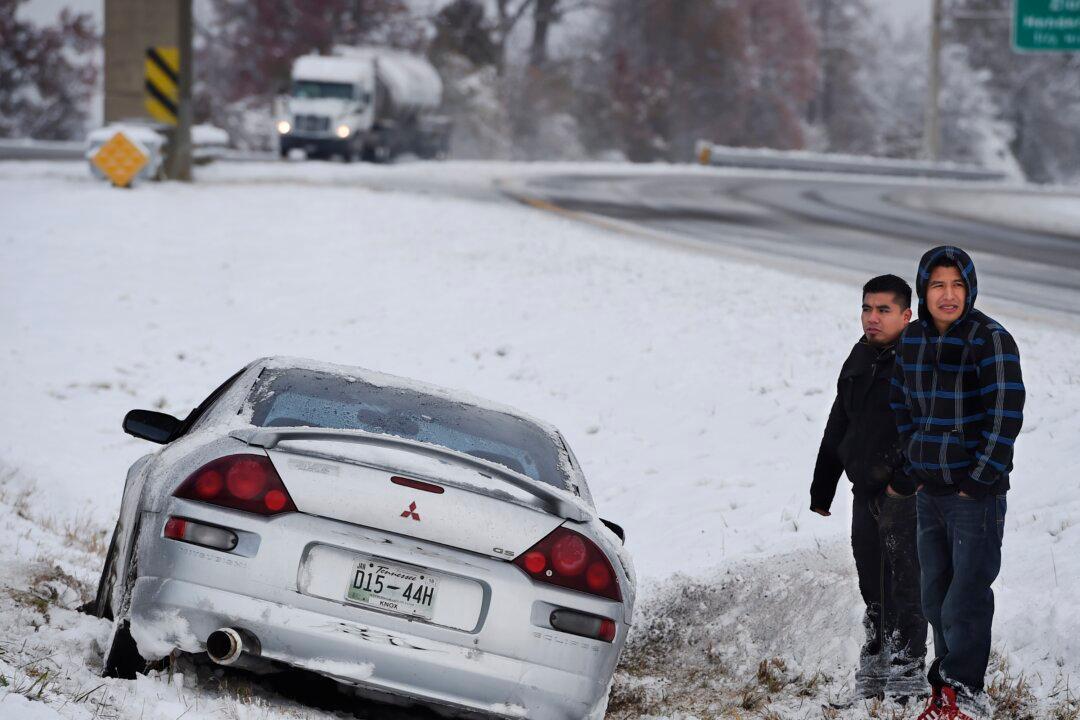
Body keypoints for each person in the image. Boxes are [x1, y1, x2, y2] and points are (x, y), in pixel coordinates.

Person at [891, 246, 1025, 720]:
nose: (948, 295)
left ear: (969, 290)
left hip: (974, 495)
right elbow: (901, 407)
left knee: (966, 593)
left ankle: (965, 692)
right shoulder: (911, 341)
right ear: (923, 290)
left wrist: (979, 479)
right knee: (936, 594)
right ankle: (944, 687)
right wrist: (914, 462)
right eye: (937, 285)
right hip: (931, 491)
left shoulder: (990, 339)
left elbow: (1004, 414)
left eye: (957, 285)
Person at [811, 274, 927, 700]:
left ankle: (908, 674)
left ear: (906, 314)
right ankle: (875, 671)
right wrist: (823, 488)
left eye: (883, 310)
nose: (872, 318)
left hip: (905, 494)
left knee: (906, 583)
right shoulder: (860, 356)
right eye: (866, 308)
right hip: (865, 491)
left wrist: (904, 484)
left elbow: (926, 427)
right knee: (871, 583)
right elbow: (839, 421)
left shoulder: (917, 358)